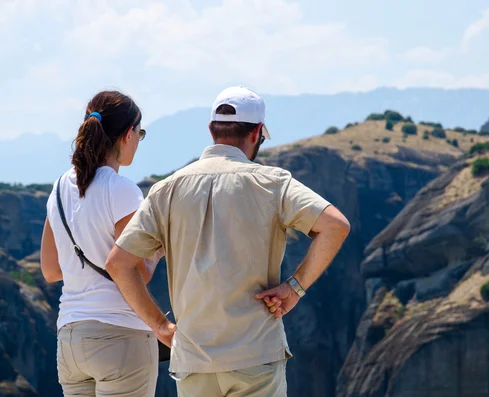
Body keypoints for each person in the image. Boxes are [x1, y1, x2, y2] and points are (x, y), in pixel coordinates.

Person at [105, 86, 351, 397]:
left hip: (194, 360)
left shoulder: (166, 190)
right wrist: (295, 288)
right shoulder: (272, 183)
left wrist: (160, 327)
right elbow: (335, 226)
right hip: (256, 356)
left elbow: (118, 263)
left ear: (211, 130)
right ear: (257, 132)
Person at [40, 90, 162, 397]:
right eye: (140, 133)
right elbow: (134, 273)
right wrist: (158, 250)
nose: (138, 140)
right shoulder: (123, 190)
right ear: (127, 135)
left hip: (70, 339)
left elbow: (51, 270)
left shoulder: (59, 188)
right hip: (119, 337)